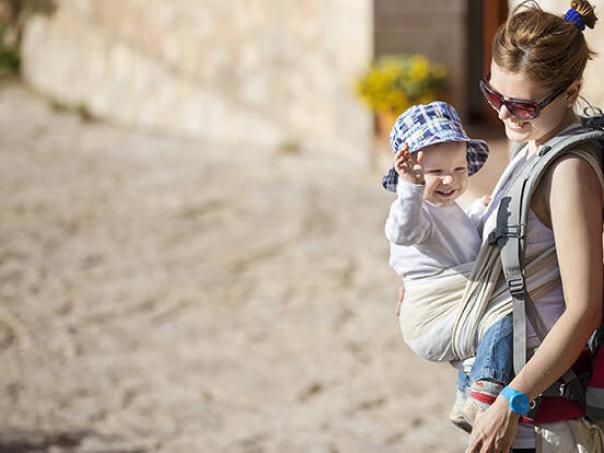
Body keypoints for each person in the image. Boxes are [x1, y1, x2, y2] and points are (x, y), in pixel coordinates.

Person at [463, 1, 603, 451]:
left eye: (521, 105)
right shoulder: (532, 144)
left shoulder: (568, 171)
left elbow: (584, 309)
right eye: (493, 95)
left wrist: (512, 400)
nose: (504, 114)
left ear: (571, 91)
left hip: (544, 417)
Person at [383, 101, 516, 430]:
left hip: (454, 304)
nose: (449, 180)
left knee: (482, 319)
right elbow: (403, 232)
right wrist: (410, 188)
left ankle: (463, 394)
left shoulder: (448, 208)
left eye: (459, 169)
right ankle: (484, 390)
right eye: (435, 172)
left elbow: (464, 247)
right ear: (412, 174)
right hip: (433, 312)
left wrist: (479, 215)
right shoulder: (416, 213)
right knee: (506, 313)